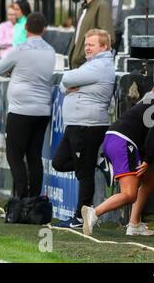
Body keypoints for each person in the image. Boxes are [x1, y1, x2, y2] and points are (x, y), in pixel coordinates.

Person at [81, 83, 154, 236]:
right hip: (123, 142)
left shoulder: (150, 99)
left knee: (149, 180)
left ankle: (134, 224)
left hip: (114, 139)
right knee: (130, 194)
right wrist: (148, 159)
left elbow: (141, 131)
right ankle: (94, 212)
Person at [52, 29, 115, 229]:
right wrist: (67, 83)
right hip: (76, 124)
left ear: (104, 47)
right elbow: (64, 86)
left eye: (91, 45)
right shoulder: (91, 64)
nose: (86, 47)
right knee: (59, 162)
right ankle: (97, 161)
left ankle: (81, 217)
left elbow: (67, 79)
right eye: (86, 44)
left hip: (88, 124)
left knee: (83, 173)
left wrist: (69, 82)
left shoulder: (101, 65)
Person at [0, 12, 55, 198]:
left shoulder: (20, 50)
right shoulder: (50, 51)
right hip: (42, 110)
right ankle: (33, 199)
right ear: (44, 29)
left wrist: (12, 72)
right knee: (34, 156)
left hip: (21, 109)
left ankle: (20, 199)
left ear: (26, 28)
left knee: (15, 156)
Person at [68, 0, 115, 70]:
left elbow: (108, 39)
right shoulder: (82, 9)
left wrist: (89, 61)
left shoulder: (102, 6)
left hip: (88, 67)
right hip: (76, 67)